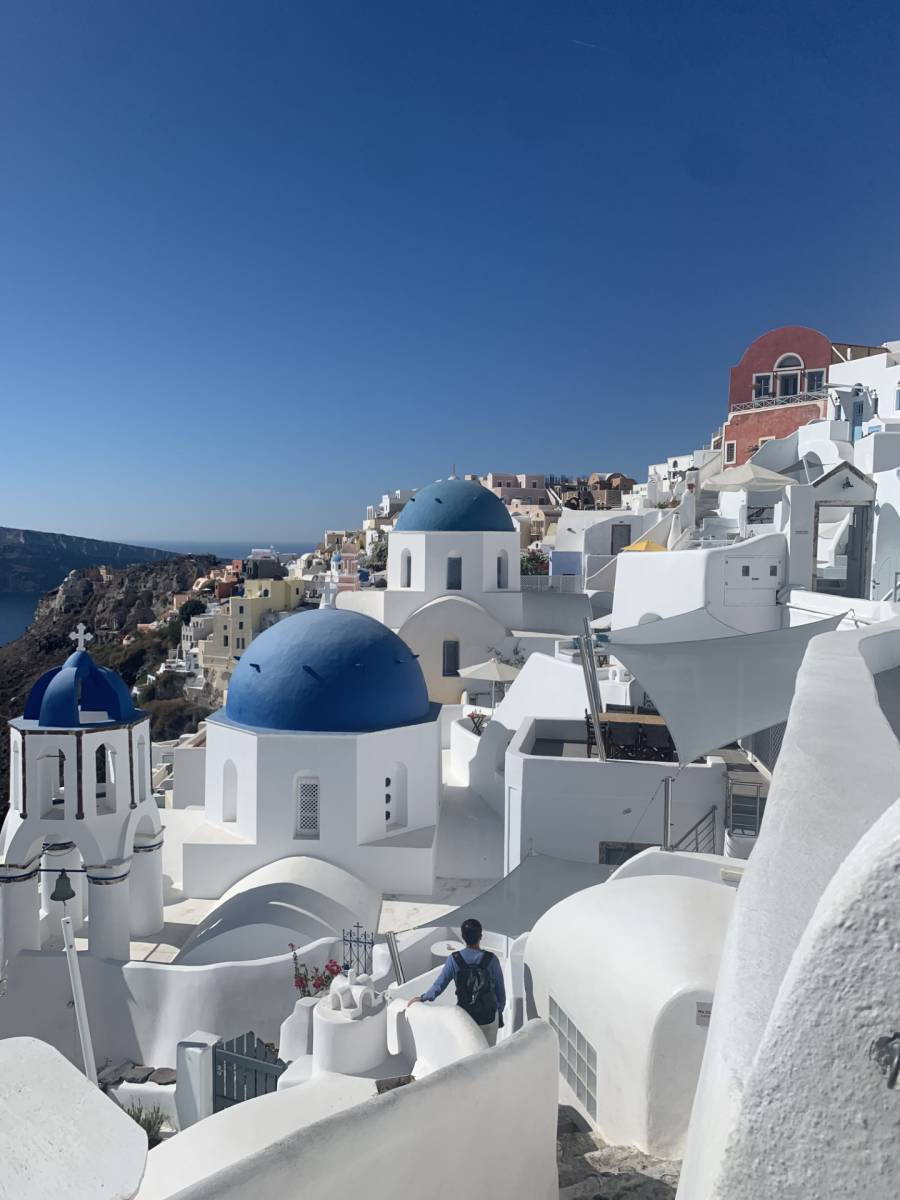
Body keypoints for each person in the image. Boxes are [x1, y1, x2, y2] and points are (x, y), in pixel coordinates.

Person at [406, 918, 506, 1045]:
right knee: (489, 1055)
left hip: (465, 1018)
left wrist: (423, 998)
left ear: (463, 937)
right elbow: (501, 994)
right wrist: (498, 1013)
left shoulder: (454, 959)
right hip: (489, 1018)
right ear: (480, 936)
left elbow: (439, 985)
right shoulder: (492, 959)